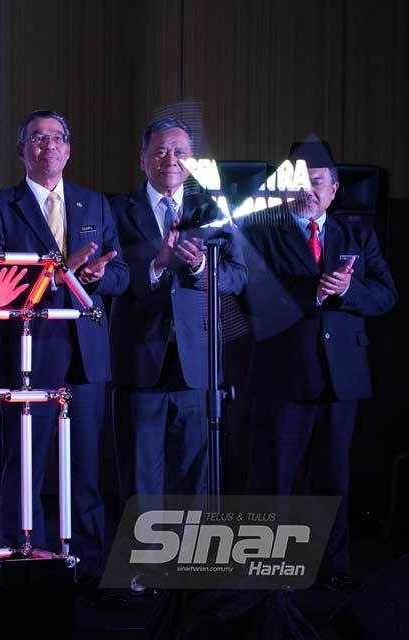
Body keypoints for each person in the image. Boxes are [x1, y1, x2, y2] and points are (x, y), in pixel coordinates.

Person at [0, 109, 128, 608]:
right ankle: (28, 564)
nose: (48, 147)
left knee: (86, 469)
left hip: (86, 355)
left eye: (57, 138)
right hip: (26, 352)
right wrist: (59, 276)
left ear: (69, 149)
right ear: (21, 150)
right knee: (25, 468)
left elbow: (121, 275)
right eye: (37, 139)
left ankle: (88, 567)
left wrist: (98, 278)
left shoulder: (95, 204)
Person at [242, 141, 396, 591]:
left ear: (334, 189)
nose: (309, 190)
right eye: (299, 182)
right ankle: (273, 564)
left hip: (342, 378)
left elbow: (387, 296)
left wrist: (347, 293)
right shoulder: (260, 233)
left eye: (318, 182)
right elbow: (247, 299)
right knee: (277, 478)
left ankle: (334, 563)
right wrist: (309, 295)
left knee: (334, 478)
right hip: (286, 375)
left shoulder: (357, 236)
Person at [109, 118, 247, 591]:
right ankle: (145, 567)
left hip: (197, 358)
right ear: (143, 157)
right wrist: (156, 265)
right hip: (139, 355)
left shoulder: (215, 208)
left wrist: (203, 268)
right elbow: (110, 279)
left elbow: (238, 277)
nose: (170, 160)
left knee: (196, 470)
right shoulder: (116, 209)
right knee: (141, 471)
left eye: (180, 151)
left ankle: (190, 564)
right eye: (160, 151)